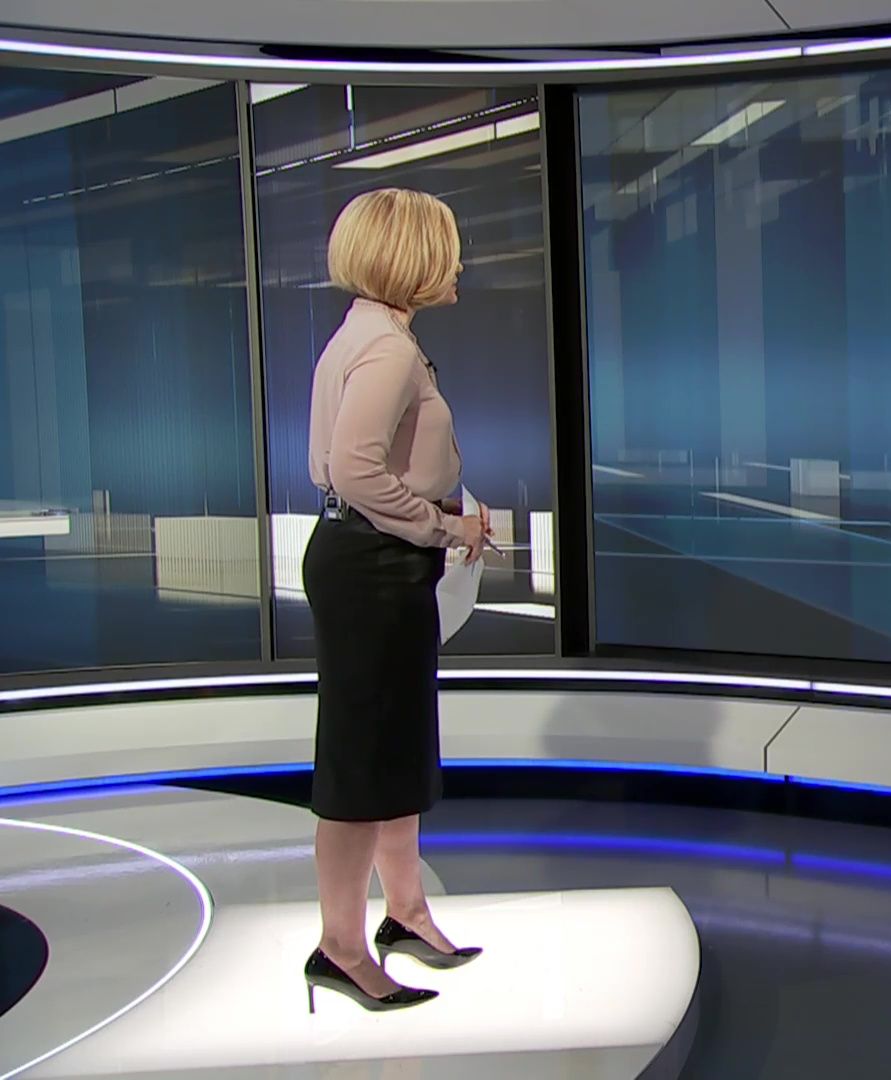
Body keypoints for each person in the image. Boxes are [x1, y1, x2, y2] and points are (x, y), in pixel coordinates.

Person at [301, 187, 488, 1013]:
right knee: (364, 759)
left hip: (378, 561)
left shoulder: (373, 335)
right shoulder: (386, 349)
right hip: (373, 566)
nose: (459, 262)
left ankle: (404, 912)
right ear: (413, 257)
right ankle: (340, 948)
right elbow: (355, 470)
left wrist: (444, 516)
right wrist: (442, 526)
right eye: (448, 247)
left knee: (395, 748)